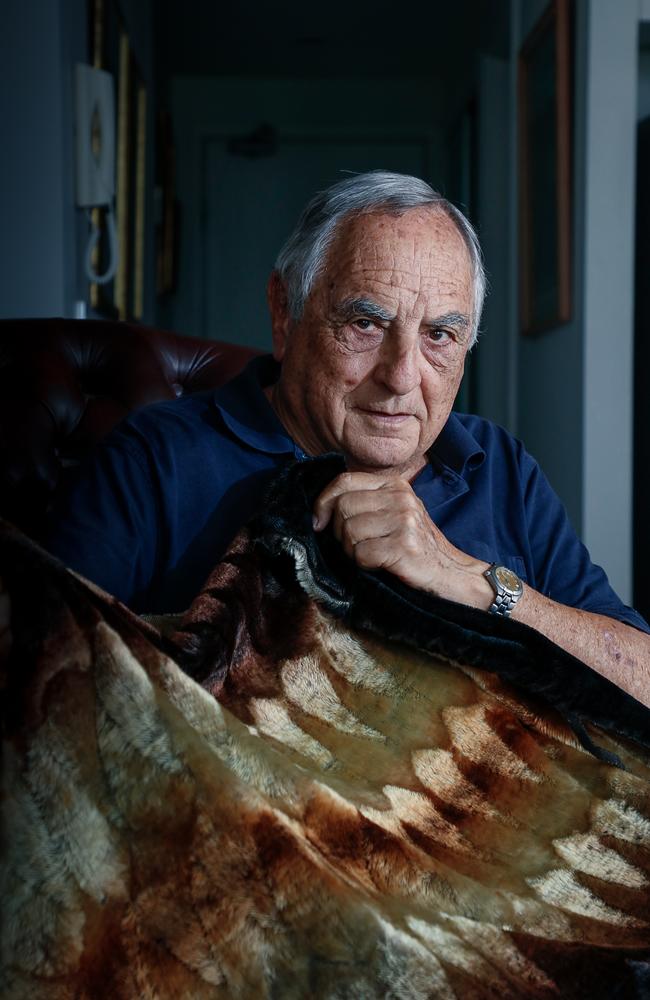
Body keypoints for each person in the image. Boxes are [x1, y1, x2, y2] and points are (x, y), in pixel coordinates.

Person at [43, 171, 650, 706]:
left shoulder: (502, 468)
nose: (402, 375)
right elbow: (47, 683)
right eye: (365, 323)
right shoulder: (156, 459)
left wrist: (471, 579)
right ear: (285, 313)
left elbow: (641, 676)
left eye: (440, 335)